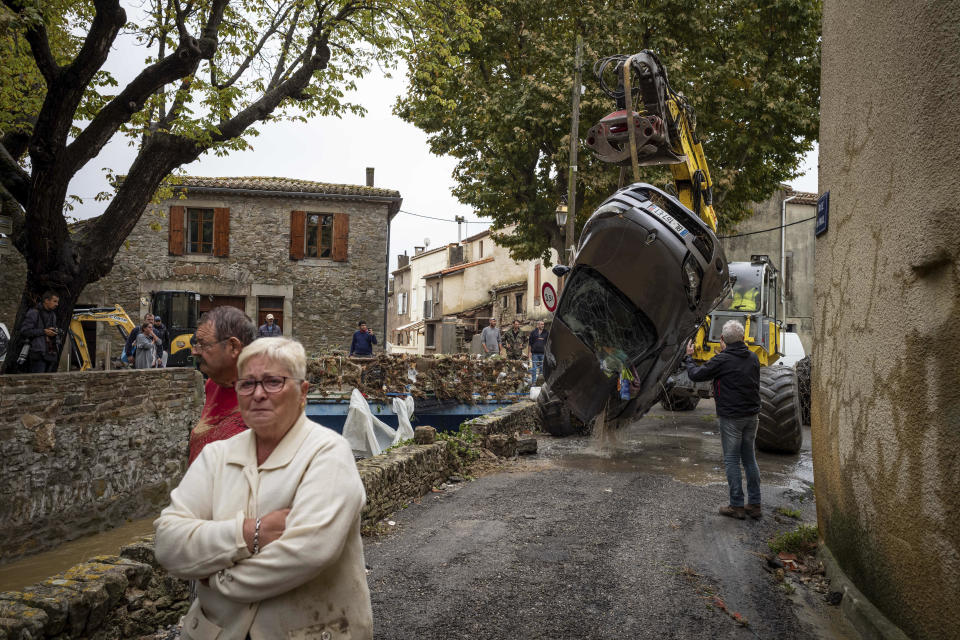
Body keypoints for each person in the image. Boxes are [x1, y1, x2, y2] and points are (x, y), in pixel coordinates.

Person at [155, 337, 373, 640]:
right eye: (247, 384)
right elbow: (167, 542)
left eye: (273, 382)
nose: (258, 394)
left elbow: (307, 553)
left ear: (302, 392)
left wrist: (215, 577)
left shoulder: (328, 453)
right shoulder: (216, 456)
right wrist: (249, 534)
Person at [683, 320, 762, 520]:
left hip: (731, 418)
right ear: (743, 338)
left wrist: (689, 357)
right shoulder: (753, 358)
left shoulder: (722, 360)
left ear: (722, 340)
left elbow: (695, 375)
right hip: (752, 416)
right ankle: (754, 504)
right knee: (749, 459)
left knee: (732, 459)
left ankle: (736, 505)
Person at [188, 306, 257, 464]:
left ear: (233, 347)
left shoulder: (262, 405)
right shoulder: (214, 384)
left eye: (203, 345)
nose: (194, 351)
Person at [19, 291, 60, 373]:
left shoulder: (53, 315)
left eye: (57, 302)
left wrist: (55, 332)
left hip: (50, 354)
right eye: (54, 301)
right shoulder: (34, 312)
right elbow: (25, 331)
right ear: (46, 300)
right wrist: (44, 331)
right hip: (37, 354)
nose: (57, 304)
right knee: (37, 380)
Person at [529, 319, 549, 385]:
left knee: (542, 369)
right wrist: (529, 352)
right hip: (534, 353)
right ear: (538, 325)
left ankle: (540, 383)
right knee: (534, 368)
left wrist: (547, 353)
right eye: (541, 324)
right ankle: (534, 382)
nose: (543, 325)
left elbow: (548, 343)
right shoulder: (533, 332)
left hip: (543, 353)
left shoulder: (546, 332)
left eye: (543, 324)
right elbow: (530, 343)